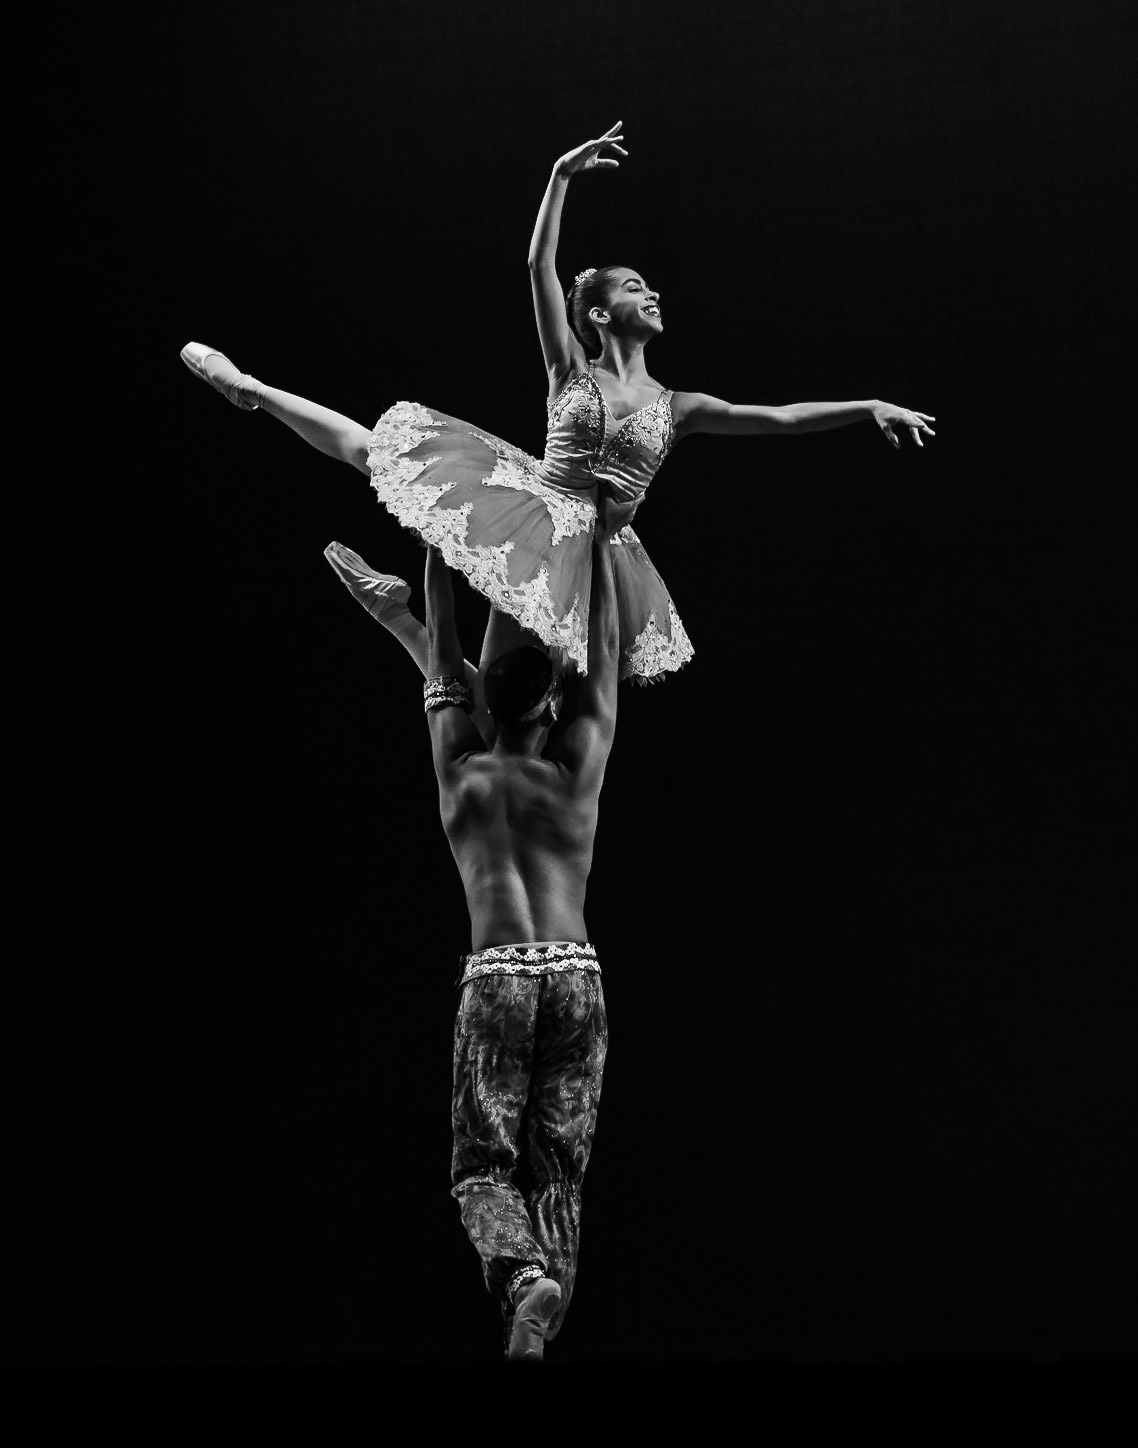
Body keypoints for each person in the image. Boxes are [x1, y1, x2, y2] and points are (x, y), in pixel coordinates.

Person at [181, 120, 934, 688]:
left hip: (602, 558)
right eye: (636, 287)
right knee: (373, 449)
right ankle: (251, 390)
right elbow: (539, 263)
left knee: (524, 708)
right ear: (600, 315)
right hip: (534, 511)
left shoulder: (682, 404)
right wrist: (559, 175)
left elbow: (784, 416)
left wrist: (867, 403)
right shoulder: (568, 366)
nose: (654, 292)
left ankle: (401, 617)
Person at [324, 493, 622, 1361]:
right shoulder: (578, 771)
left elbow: (444, 657)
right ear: (552, 704)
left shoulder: (460, 766)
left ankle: (525, 1286)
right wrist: (600, 549)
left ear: (484, 705)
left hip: (496, 979)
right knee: (558, 1172)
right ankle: (538, 1319)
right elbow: (600, 660)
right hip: (577, 975)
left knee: (481, 1172)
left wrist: (436, 541)